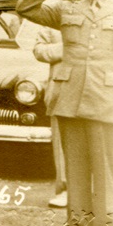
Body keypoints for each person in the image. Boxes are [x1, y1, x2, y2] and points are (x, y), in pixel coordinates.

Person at [16, 0, 113, 226]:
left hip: (108, 100)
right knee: (75, 173)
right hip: (71, 99)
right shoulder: (66, 7)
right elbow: (25, 8)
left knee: (107, 174)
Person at [33, 26, 67, 209]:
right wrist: (67, 47)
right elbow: (38, 50)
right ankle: (65, 189)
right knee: (63, 141)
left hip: (97, 89)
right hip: (61, 89)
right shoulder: (55, 14)